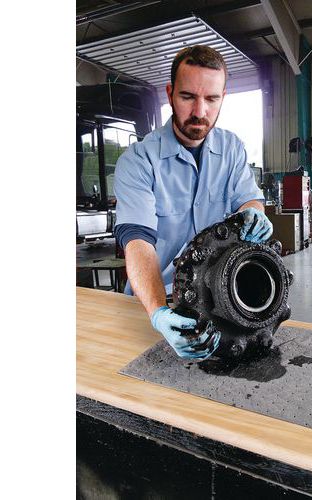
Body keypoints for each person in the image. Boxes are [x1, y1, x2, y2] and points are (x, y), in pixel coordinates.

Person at [113, 45, 273, 361]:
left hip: (218, 298)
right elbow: (138, 243)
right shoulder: (138, 161)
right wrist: (158, 312)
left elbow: (248, 199)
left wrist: (253, 213)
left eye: (211, 99)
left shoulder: (231, 149)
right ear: (170, 93)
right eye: (188, 97)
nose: (200, 111)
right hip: (157, 302)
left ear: (223, 97)